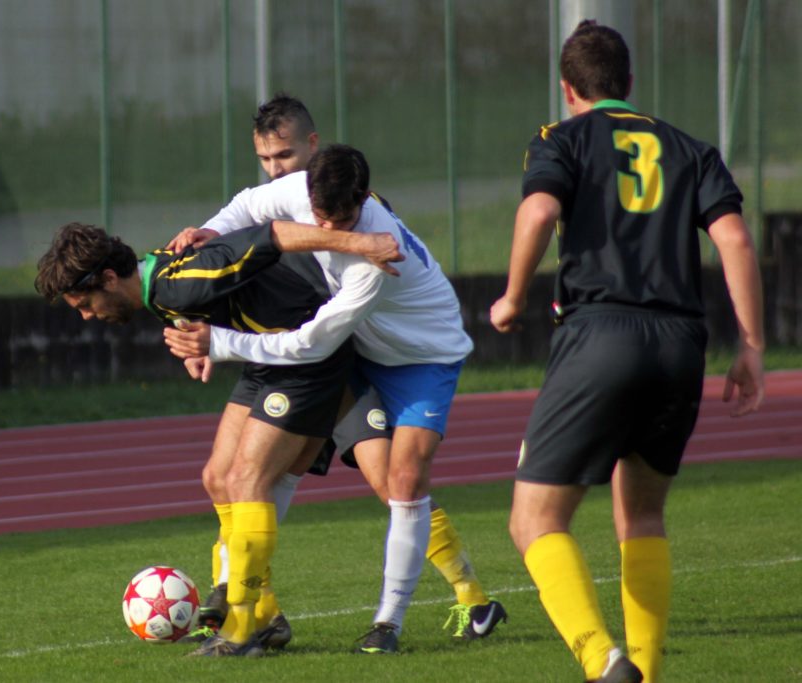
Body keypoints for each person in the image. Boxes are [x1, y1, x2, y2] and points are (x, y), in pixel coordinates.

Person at [489, 20, 764, 683]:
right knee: (641, 514)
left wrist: (512, 295)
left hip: (601, 334)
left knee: (534, 520)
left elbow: (537, 213)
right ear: (629, 83)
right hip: (681, 345)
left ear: (568, 89)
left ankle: (602, 660)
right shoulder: (691, 148)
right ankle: (646, 668)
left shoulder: (561, 138)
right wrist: (752, 346)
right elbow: (734, 239)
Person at [180, 94, 507, 650]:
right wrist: (207, 234)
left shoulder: (375, 260)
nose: (275, 169)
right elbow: (245, 211)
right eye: (265, 159)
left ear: (314, 147)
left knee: (393, 481)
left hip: (379, 355)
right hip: (326, 354)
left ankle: (437, 606)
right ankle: (247, 598)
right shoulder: (299, 192)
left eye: (285, 155)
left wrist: (221, 341)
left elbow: (315, 336)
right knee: (231, 475)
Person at [34, 218, 402, 658]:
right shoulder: (160, 284)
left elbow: (273, 236)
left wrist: (361, 243)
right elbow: (206, 295)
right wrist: (198, 342)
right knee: (217, 477)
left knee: (248, 479)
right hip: (265, 361)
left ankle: (241, 628)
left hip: (306, 358)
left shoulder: (181, 282)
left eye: (85, 303)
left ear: (110, 278)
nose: (86, 315)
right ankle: (266, 616)